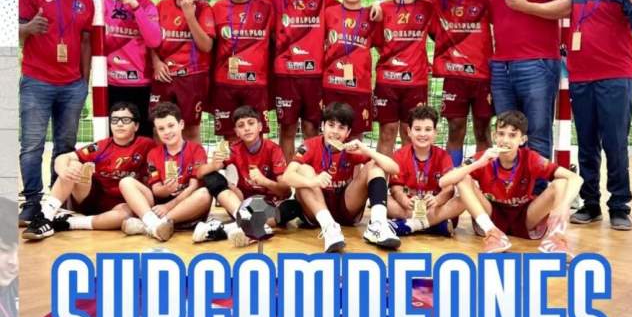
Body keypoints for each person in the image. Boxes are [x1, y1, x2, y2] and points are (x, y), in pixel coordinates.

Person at [567, 0, 632, 230]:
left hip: (615, 76)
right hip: (580, 78)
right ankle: (590, 204)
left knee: (615, 143)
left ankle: (620, 206)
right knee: (586, 145)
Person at [485, 0, 572, 161]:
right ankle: (511, 184)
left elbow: (566, 6)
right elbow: (486, 16)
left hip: (537, 63)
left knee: (537, 134)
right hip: (500, 66)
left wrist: (526, 7)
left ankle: (539, 184)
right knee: (506, 135)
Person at [18, 0, 94, 225]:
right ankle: (31, 202)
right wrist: (27, 29)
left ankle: (55, 201)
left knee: (65, 146)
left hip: (72, 86)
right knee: (32, 145)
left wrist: (84, 81)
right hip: (36, 81)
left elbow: (85, 41)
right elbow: (12, 30)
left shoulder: (85, 0)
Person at [440, 110, 583, 256]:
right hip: (492, 213)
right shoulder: (484, 157)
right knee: (463, 178)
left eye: (512, 135)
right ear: (494, 136)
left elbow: (576, 178)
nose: (505, 140)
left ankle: (556, 238)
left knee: (561, 183)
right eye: (501, 134)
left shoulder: (531, 158)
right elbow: (444, 181)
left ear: (522, 139)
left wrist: (563, 205)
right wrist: (478, 163)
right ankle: (492, 233)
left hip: (525, 216)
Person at [21, 102, 155, 240]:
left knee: (125, 215)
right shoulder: (100, 147)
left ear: (136, 126)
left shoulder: (146, 144)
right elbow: (63, 157)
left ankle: (68, 222)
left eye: (125, 120)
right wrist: (63, 170)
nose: (119, 124)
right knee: (73, 164)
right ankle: (45, 217)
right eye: (115, 120)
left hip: (122, 205)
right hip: (92, 199)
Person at [282, 102, 401, 252]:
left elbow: (394, 168)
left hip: (345, 207)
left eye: (341, 127)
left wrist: (367, 150)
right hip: (315, 209)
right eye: (331, 125)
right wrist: (313, 181)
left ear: (348, 132)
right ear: (323, 126)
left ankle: (378, 225)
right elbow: (287, 177)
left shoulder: (351, 149)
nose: (335, 132)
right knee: (304, 169)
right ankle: (329, 227)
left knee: (375, 165)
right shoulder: (309, 146)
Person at [256, 0, 340, 159]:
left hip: (314, 76)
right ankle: (287, 176)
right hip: (285, 76)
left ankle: (310, 173)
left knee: (312, 129)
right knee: (287, 129)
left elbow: (346, 11)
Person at [194, 105, 302, 245]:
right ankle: (255, 225)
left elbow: (286, 192)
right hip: (240, 204)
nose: (246, 128)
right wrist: (213, 165)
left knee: (293, 207)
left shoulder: (273, 149)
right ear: (237, 132)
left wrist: (264, 181)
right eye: (241, 125)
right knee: (211, 177)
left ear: (260, 127)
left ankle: (225, 229)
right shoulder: (233, 149)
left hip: (268, 205)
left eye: (251, 123)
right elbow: (199, 173)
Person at [428, 0, 493, 166]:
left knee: (483, 130)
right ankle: (452, 177)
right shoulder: (434, 3)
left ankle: (483, 178)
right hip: (454, 77)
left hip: (482, 76)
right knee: (455, 129)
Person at [119, 102, 212, 241]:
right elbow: (156, 190)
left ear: (181, 124)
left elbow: (194, 186)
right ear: (156, 131)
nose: (167, 132)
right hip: (159, 206)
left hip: (186, 204)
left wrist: (169, 206)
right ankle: (153, 223)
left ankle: (154, 225)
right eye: (161, 128)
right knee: (126, 182)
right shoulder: (153, 154)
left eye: (171, 126)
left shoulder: (196, 149)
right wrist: (167, 189)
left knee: (205, 194)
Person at [373, 0, 434, 156]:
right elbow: (376, 42)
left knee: (411, 133)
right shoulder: (382, 9)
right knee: (387, 133)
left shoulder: (428, 6)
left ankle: (407, 174)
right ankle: (383, 176)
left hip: (416, 82)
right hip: (387, 81)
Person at [210, 0, 274, 141]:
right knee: (231, 136)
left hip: (256, 83)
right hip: (225, 82)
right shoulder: (217, 8)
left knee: (257, 135)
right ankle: (233, 161)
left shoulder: (266, 6)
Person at [151, 0, 215, 142]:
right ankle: (162, 161)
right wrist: (156, 63)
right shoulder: (162, 5)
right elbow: (149, 39)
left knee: (190, 130)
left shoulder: (204, 8)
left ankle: (193, 162)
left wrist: (190, 16)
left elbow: (206, 46)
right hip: (164, 76)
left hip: (192, 77)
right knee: (159, 128)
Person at [105, 0, 161, 137]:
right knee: (114, 135)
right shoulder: (102, 0)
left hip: (139, 83)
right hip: (109, 82)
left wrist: (136, 7)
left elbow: (154, 41)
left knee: (142, 137)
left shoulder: (146, 4)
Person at [387, 105, 464, 235]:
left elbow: (449, 189)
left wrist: (437, 200)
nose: (422, 134)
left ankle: (409, 224)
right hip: (409, 208)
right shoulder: (399, 155)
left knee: (463, 200)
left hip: (434, 207)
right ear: (409, 131)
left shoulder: (444, 156)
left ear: (435, 132)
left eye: (428, 129)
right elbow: (395, 188)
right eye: (417, 129)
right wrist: (405, 201)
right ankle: (434, 225)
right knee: (383, 200)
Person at [322, 0, 378, 140]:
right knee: (330, 135)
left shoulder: (372, 15)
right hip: (332, 84)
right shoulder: (329, 13)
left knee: (355, 137)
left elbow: (383, 47)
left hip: (359, 86)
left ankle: (355, 161)